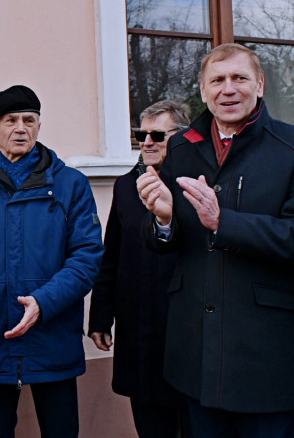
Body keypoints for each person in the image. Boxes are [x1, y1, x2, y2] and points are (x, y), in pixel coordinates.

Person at [137, 43, 294, 438]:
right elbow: (165, 245)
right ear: (203, 90)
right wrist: (163, 219)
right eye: (217, 80)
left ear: (259, 85)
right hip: (196, 353)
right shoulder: (181, 147)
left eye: (239, 78)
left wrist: (224, 222)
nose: (229, 89)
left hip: (264, 355)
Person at [0, 85, 104, 438]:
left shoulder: (71, 185)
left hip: (53, 337)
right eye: (10, 120)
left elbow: (87, 257)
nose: (21, 128)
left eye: (29, 120)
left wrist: (44, 301)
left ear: (39, 126)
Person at [88, 99, 190, 438]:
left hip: (185, 333)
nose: (147, 142)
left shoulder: (196, 186)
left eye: (157, 135)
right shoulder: (124, 186)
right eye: (141, 134)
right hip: (139, 332)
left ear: (181, 136)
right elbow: (111, 257)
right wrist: (101, 317)